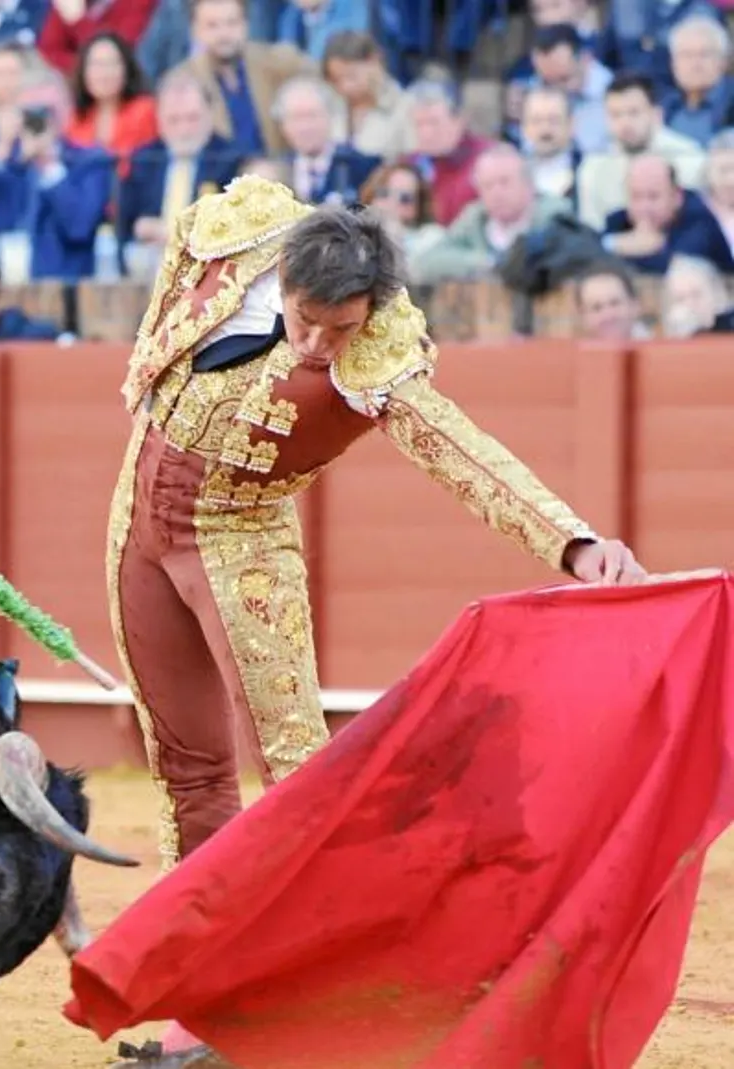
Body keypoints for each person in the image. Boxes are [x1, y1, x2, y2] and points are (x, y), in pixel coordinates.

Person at [101, 174, 646, 1068]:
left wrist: (572, 543)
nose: (317, 343)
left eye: (338, 329)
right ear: (282, 273)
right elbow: (171, 281)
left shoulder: (381, 351)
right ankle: (202, 992)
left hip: (240, 541)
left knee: (296, 778)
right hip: (136, 517)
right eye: (307, 318)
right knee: (187, 771)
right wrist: (143, 384)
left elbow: (459, 448)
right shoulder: (231, 231)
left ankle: (297, 995)